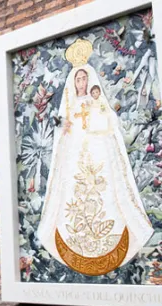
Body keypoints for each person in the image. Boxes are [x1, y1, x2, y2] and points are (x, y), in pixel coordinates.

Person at [37, 39, 153, 276]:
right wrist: (64, 125)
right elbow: (58, 122)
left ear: (89, 80)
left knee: (105, 190)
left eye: (84, 78)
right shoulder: (69, 104)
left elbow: (109, 121)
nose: (81, 82)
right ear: (73, 81)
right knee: (73, 192)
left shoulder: (95, 100)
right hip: (74, 154)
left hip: (97, 151)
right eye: (78, 79)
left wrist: (97, 120)